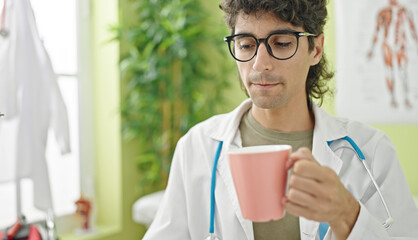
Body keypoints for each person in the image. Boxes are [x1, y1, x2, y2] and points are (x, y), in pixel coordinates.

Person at [143, 0, 418, 239]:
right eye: (246, 44)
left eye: (282, 43)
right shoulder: (197, 147)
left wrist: (347, 213)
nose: (260, 64)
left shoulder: (371, 152)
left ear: (316, 49)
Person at [367, 0, 418, 108]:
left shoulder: (405, 11)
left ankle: (406, 98)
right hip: (387, 45)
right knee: (389, 72)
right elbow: (377, 31)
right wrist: (371, 49)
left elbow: (412, 28)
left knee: (403, 71)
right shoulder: (383, 12)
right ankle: (392, 98)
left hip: (401, 45)